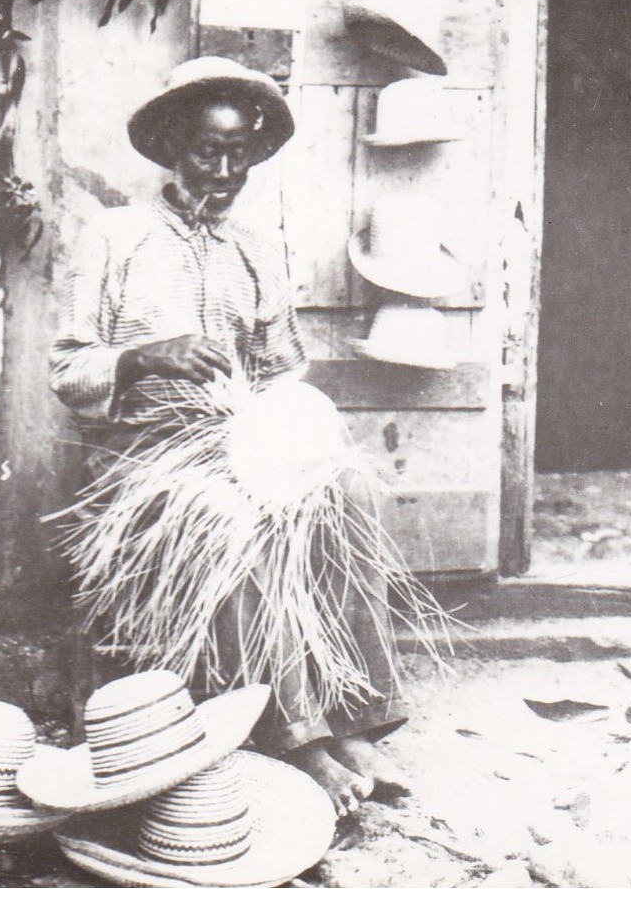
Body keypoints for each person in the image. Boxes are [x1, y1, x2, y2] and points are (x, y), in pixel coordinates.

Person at [50, 56, 412, 817]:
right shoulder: (114, 237)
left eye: (237, 153)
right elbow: (69, 368)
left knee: (345, 491)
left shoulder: (255, 247)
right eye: (205, 150)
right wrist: (147, 354)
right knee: (231, 515)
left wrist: (288, 424)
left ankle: (360, 718)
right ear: (172, 147)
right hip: (143, 454)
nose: (220, 169)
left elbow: (283, 368)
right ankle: (298, 736)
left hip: (242, 440)